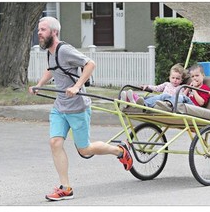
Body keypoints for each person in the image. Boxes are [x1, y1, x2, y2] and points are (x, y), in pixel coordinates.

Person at [28, 16, 133, 201]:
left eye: (43, 30)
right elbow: (52, 69)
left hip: (77, 108)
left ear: (54, 32)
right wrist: (39, 84)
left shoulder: (65, 50)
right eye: (38, 30)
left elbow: (90, 64)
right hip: (60, 107)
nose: (39, 33)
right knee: (55, 143)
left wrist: (77, 86)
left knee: (84, 149)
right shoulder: (50, 52)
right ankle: (65, 188)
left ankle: (119, 151)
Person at [120, 63, 186, 108]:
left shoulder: (180, 88)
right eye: (173, 78)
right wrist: (148, 86)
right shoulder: (166, 84)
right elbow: (157, 88)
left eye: (177, 79)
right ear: (169, 77)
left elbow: (181, 98)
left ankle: (142, 103)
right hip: (159, 99)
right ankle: (129, 98)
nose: (175, 80)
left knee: (164, 95)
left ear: (181, 80)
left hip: (166, 103)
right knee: (150, 97)